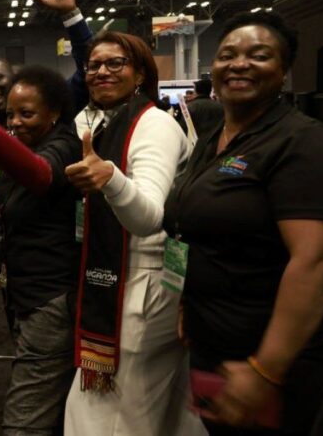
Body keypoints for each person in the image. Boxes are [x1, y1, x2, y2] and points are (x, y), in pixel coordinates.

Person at [164, 12, 323, 435]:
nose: (239, 64)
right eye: (227, 55)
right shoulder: (216, 136)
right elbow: (191, 227)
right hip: (214, 347)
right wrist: (187, 300)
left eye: (259, 55)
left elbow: (314, 262)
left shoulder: (301, 142)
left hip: (270, 357)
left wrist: (265, 370)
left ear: (284, 70)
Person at [59, 31, 205, 435]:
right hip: (123, 276)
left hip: (144, 281)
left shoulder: (153, 124)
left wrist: (110, 179)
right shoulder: (99, 121)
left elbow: (148, 217)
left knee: (109, 417)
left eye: (115, 63)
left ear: (140, 73)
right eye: (94, 65)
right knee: (165, 411)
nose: (101, 71)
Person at [0, 65, 83, 435]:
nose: (15, 122)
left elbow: (41, 175)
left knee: (23, 421)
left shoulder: (63, 145)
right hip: (26, 295)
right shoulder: (28, 144)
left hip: (50, 299)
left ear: (55, 113)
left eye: (27, 114)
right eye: (11, 114)